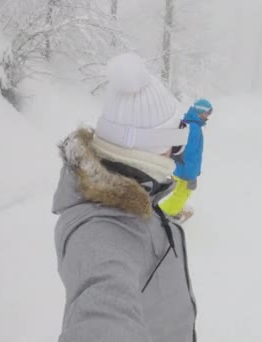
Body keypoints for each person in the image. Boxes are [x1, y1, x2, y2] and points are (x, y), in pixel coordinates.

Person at [52, 53, 197, 342]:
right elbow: (101, 319)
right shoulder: (102, 229)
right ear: (153, 145)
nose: (176, 151)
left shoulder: (138, 193)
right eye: (174, 139)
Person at [159, 98, 213, 221]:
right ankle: (165, 215)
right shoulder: (194, 128)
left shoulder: (188, 124)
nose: (209, 115)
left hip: (179, 167)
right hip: (185, 171)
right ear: (201, 111)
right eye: (208, 112)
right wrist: (190, 176)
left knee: (177, 191)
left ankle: (169, 210)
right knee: (182, 193)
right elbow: (189, 154)